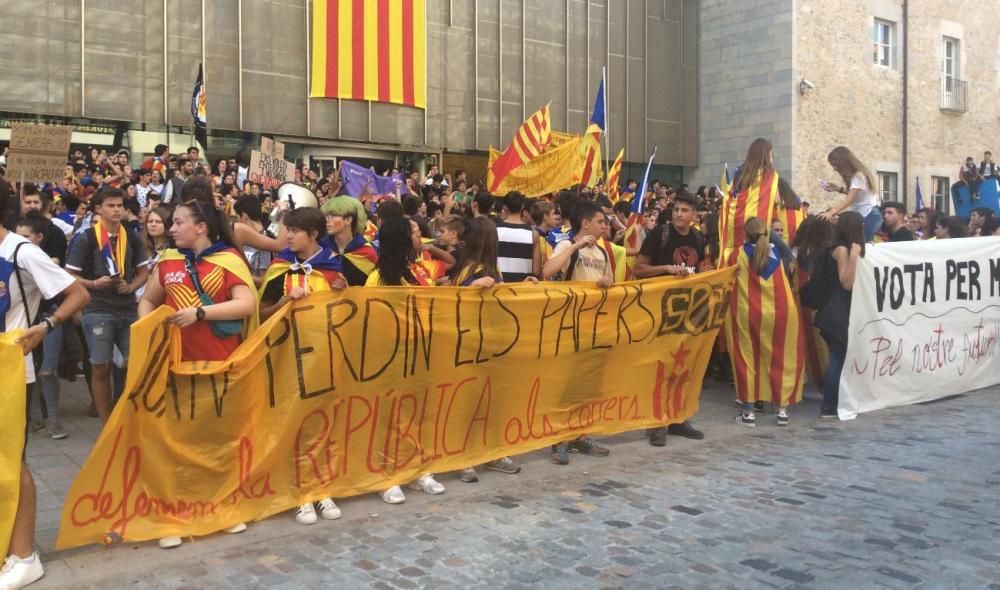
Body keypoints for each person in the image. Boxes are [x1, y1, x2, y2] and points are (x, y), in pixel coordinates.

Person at [138, 200, 257, 548]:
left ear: (201, 226)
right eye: (170, 223)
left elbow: (246, 303)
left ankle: (220, 509)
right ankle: (173, 516)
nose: (170, 228)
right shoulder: (168, 261)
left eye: (177, 222)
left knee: (218, 440)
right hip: (175, 365)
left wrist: (200, 313)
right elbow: (148, 299)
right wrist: (149, 325)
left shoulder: (229, 260)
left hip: (222, 364)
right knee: (176, 441)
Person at [0, 179, 90, 590]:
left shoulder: (21, 252)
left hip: (11, 372)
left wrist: (45, 326)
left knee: (11, 463)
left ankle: (24, 555)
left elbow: (76, 293)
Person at [364, 217, 447, 502]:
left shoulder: (420, 270)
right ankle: (386, 475)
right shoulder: (377, 278)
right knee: (389, 415)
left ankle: (416, 468)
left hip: (422, 351)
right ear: (400, 239)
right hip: (391, 354)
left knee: (418, 412)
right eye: (413, 232)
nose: (419, 235)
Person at [65, 188, 149, 423]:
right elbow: (69, 275)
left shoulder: (131, 235)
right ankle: (106, 422)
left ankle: (129, 414)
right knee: (101, 366)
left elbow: (144, 271)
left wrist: (131, 287)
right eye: (111, 206)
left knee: (134, 364)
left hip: (128, 308)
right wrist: (93, 282)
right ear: (98, 209)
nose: (116, 210)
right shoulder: (87, 238)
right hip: (98, 309)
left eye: (120, 205)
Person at [633, 191, 707, 445]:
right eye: (675, 209)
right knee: (660, 367)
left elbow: (701, 271)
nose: (678, 214)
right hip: (658, 312)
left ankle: (678, 417)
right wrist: (665, 269)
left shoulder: (698, 237)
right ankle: (656, 423)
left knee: (682, 367)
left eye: (684, 210)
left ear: (694, 215)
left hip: (686, 313)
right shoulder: (659, 235)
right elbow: (639, 269)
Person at [541, 201, 612, 464]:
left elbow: (610, 281)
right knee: (565, 384)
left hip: (594, 327)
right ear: (585, 223)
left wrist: (608, 282)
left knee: (586, 383)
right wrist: (575, 246)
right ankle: (558, 438)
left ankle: (579, 434)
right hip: (568, 326)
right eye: (600, 222)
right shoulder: (565, 245)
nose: (605, 226)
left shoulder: (603, 254)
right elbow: (547, 271)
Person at [728, 217, 804, 427]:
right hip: (781, 312)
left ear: (745, 234)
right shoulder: (778, 254)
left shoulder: (736, 255)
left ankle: (748, 413)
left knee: (747, 360)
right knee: (781, 358)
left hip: (749, 312)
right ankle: (782, 411)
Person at [801, 211, 864, 418]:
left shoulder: (833, 248)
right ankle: (829, 405)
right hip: (836, 313)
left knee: (838, 356)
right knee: (838, 357)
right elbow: (846, 282)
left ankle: (833, 402)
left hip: (831, 311)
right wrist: (854, 256)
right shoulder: (842, 250)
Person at [821, 146, 881, 242]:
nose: (834, 169)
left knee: (860, 246)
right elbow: (857, 195)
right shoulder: (858, 175)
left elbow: (850, 199)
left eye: (835, 165)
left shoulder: (858, 176)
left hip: (868, 215)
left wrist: (831, 212)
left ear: (843, 162)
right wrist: (838, 189)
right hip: (866, 215)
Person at [495, 191, 541, 283]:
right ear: (522, 207)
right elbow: (536, 271)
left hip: (498, 288)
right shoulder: (533, 234)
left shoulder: (494, 230)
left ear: (504, 207)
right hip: (522, 290)